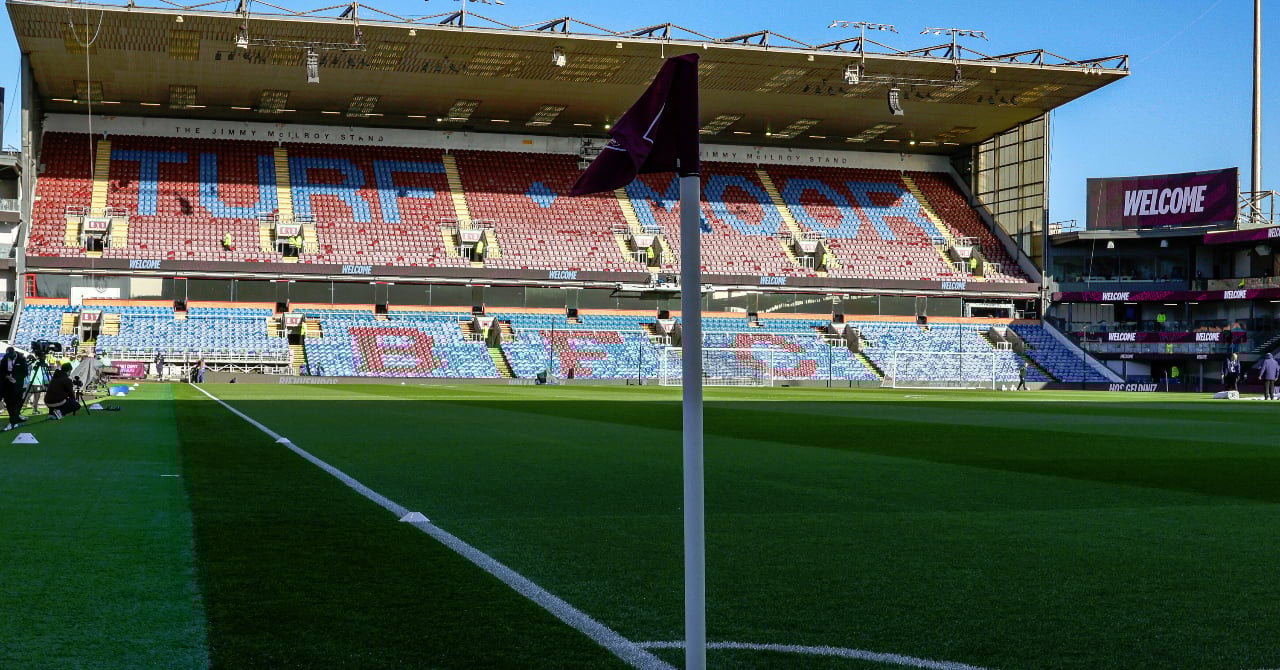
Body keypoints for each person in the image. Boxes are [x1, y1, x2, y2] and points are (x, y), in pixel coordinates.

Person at [1, 347, 28, 430]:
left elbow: (25, 372)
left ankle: (14, 420)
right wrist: (7, 376)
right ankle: (13, 419)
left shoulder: (21, 359)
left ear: (14, 353)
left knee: (16, 402)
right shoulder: (5, 359)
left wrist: (16, 378)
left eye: (11, 355)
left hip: (18, 384)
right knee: (8, 402)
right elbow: (1, 370)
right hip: (7, 383)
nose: (9, 357)